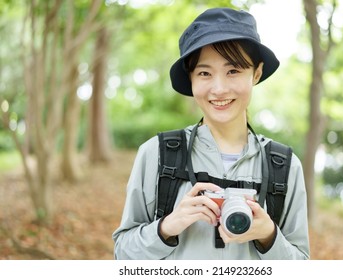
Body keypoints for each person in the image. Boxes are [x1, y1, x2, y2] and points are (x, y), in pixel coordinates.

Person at [112, 7, 310, 260]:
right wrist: (166, 228)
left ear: (256, 74)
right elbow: (122, 254)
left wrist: (269, 235)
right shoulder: (157, 154)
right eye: (205, 73)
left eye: (234, 71)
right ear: (191, 78)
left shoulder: (285, 166)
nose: (219, 88)